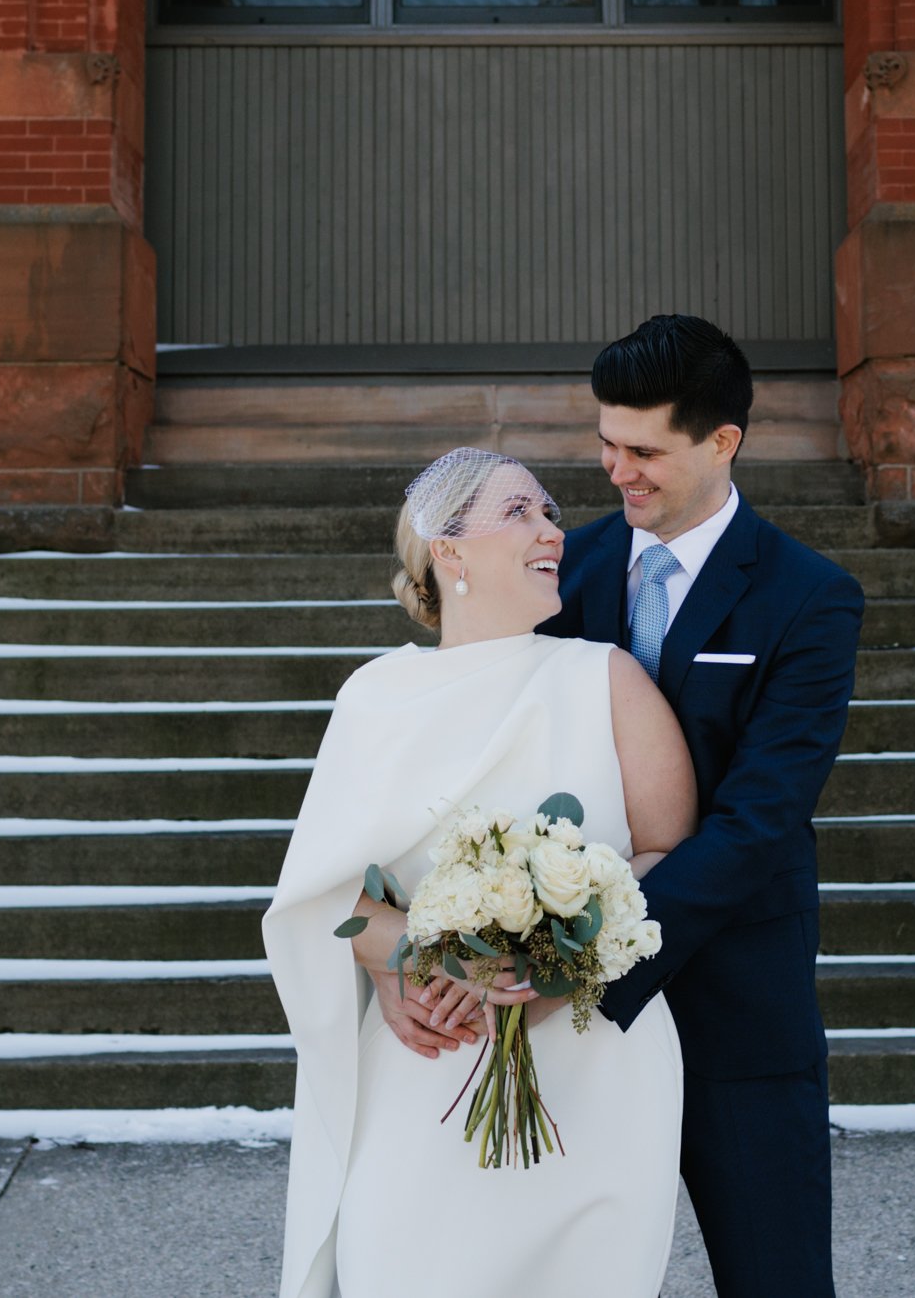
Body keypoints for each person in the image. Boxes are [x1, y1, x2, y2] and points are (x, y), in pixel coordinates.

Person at [263, 448, 698, 1298]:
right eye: (520, 512)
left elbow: (668, 853)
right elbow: (330, 897)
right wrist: (428, 955)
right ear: (447, 550)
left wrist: (557, 953)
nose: (552, 530)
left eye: (550, 512)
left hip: (593, 1062)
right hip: (429, 1055)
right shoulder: (375, 696)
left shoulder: (605, 677)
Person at [540, 314, 865, 1298]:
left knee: (776, 1276)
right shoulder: (561, 565)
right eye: (605, 443)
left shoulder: (810, 596)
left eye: (643, 449)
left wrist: (595, 954)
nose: (616, 469)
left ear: (723, 440)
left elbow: (760, 817)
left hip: (733, 996)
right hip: (556, 1011)